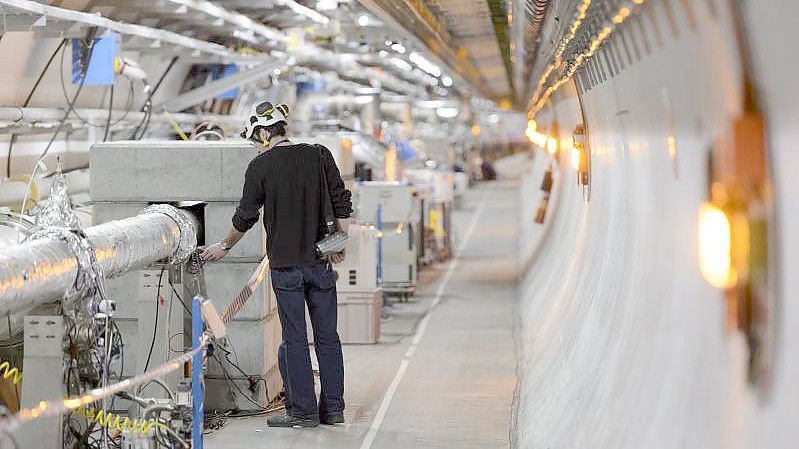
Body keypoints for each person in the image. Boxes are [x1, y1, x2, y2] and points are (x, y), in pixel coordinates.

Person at [201, 100, 352, 428]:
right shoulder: (319, 154)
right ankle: (333, 409)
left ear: (266, 131)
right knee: (327, 336)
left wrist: (223, 246)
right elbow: (342, 201)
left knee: (295, 339)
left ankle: (303, 411)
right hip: (321, 261)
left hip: (286, 267)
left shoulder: (261, 167)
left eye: (258, 136)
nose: (258, 143)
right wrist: (340, 241)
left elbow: (245, 217)